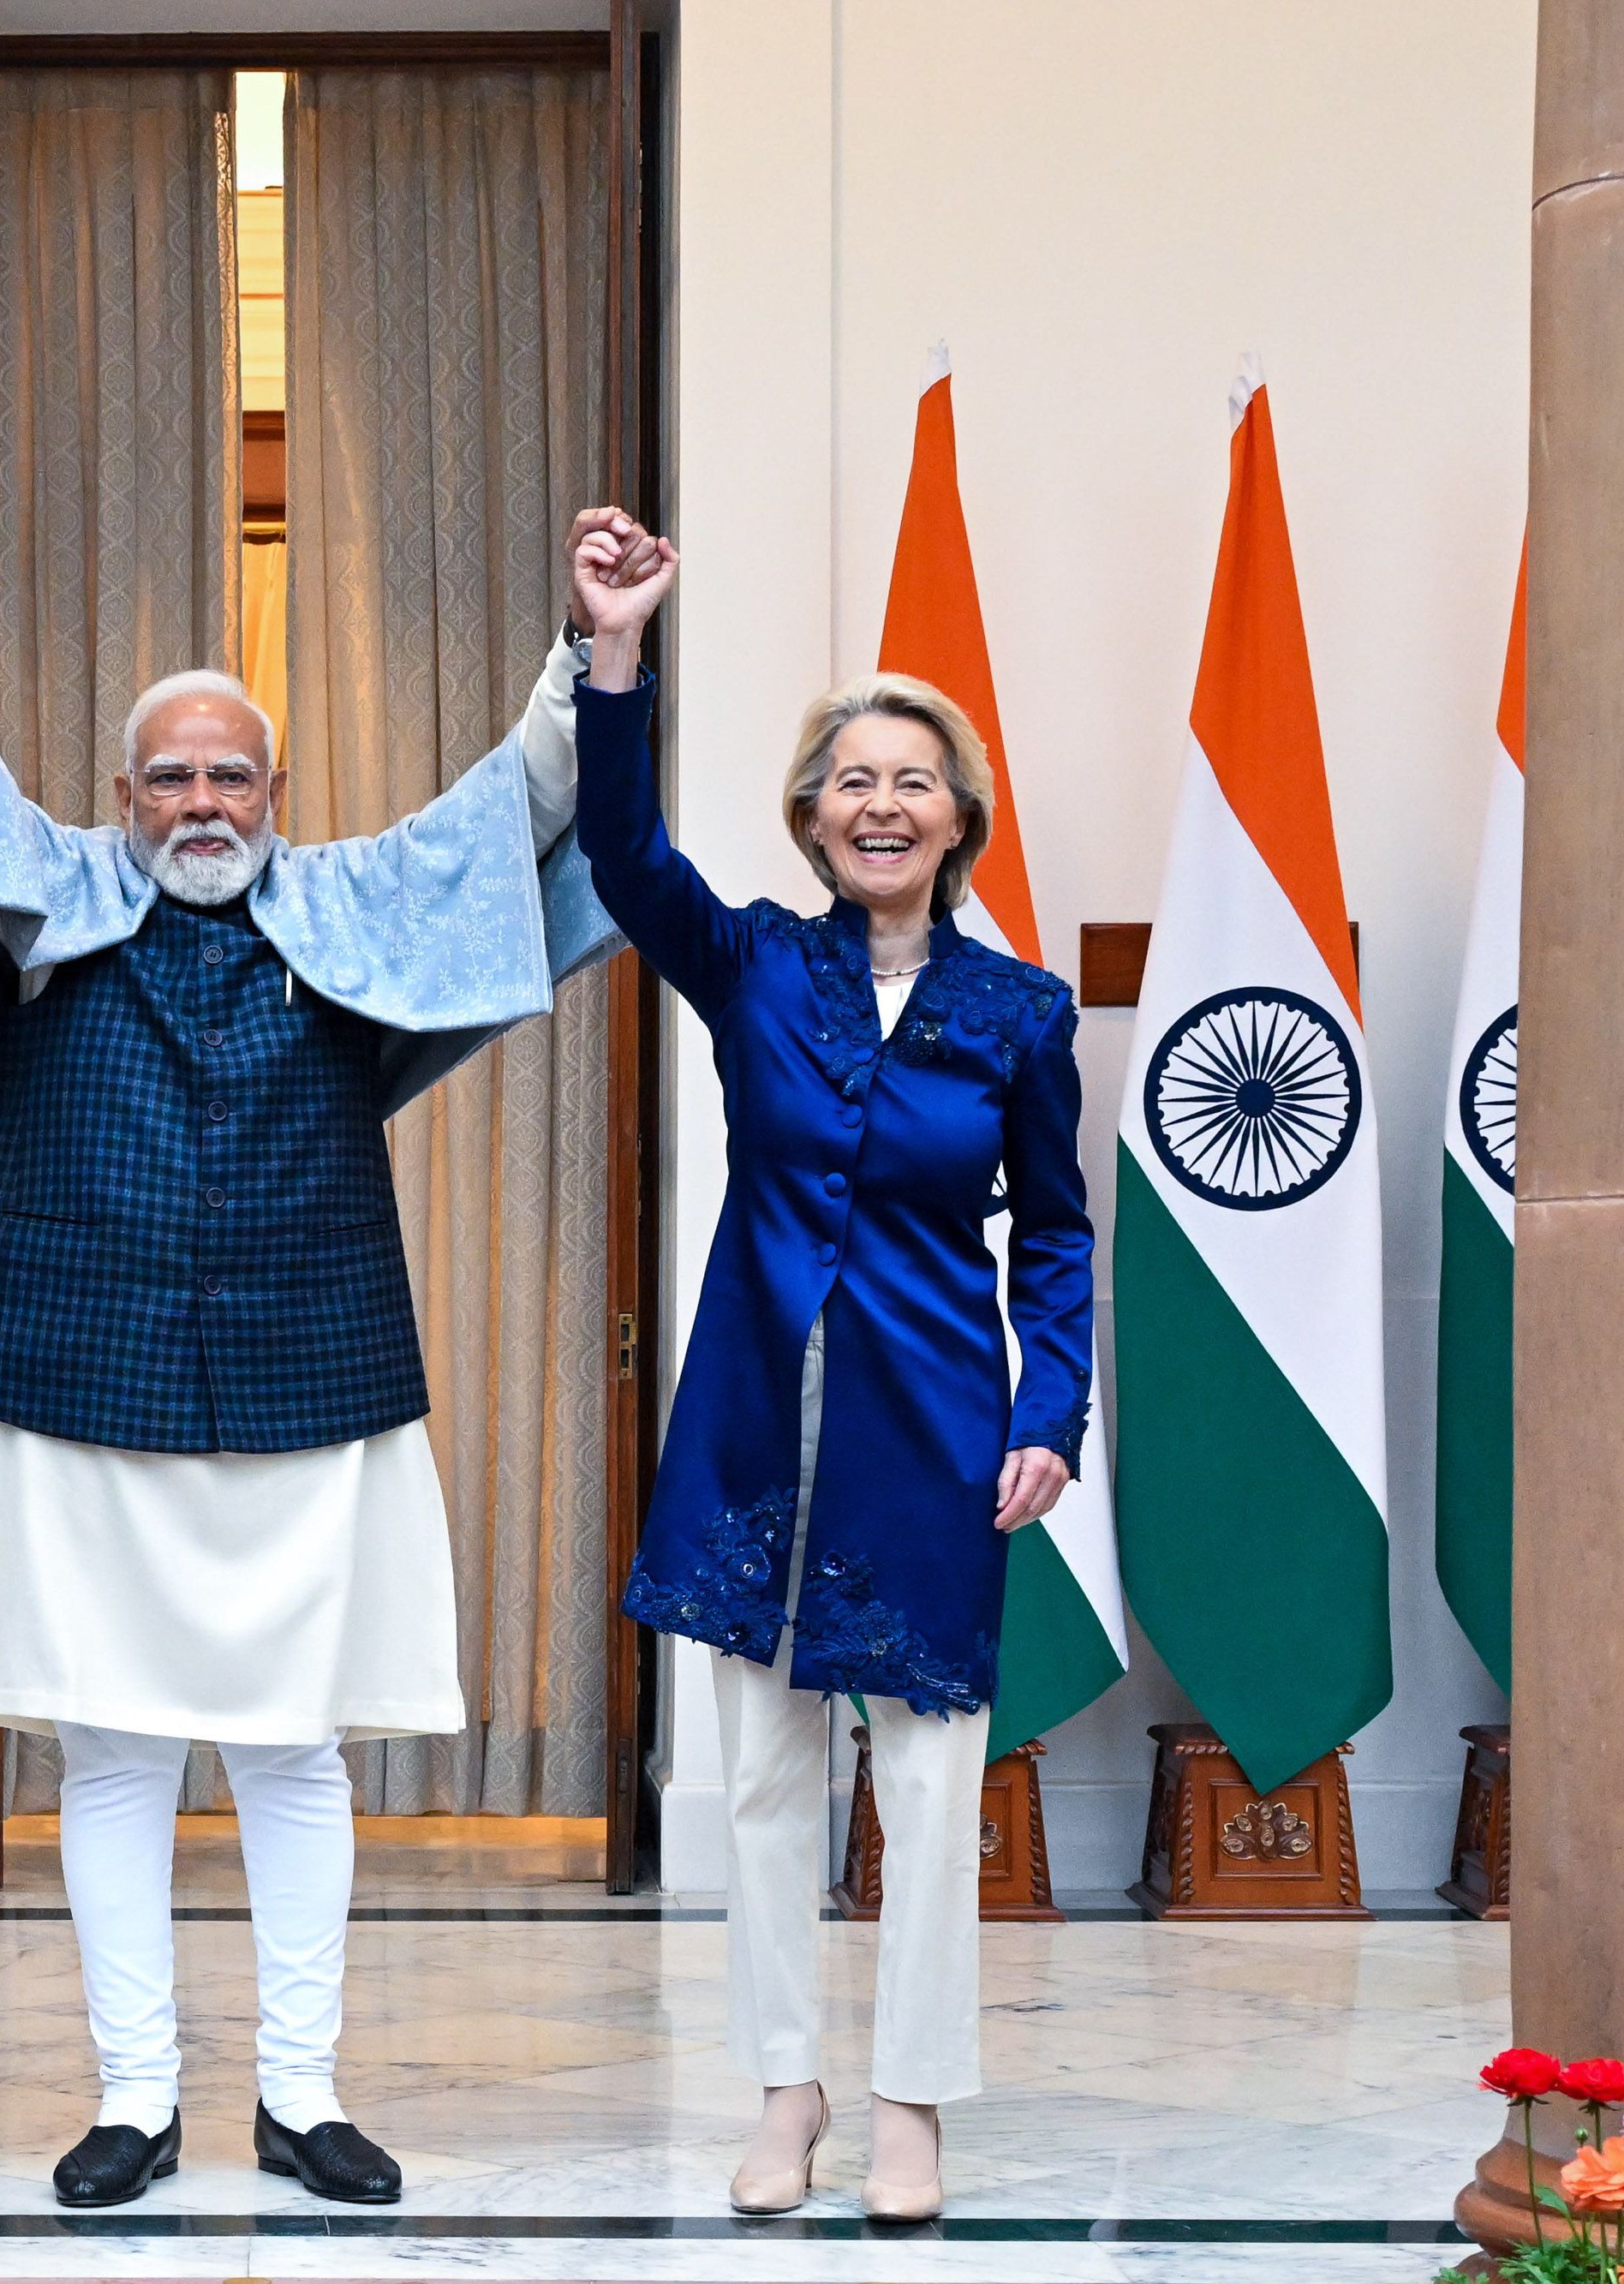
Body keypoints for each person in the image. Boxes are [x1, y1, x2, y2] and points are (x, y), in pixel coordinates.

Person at [0, 507, 663, 2208]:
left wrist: (595, 646)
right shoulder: (49, 896)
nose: (201, 805)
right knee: (113, 1753)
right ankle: (132, 2098)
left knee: (296, 1753)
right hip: (77, 1389)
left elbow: (515, 802)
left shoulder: (360, 903)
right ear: (123, 793)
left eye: (231, 776)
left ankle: (300, 2096)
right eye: (168, 778)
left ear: (274, 795)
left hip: (312, 1392)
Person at [567, 535, 1093, 2220]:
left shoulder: (1017, 1012)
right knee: (766, 1780)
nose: (880, 804)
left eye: (910, 782)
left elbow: (1059, 1242)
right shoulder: (755, 969)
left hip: (933, 1437)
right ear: (809, 815)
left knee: (932, 1787)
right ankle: (785, 2092)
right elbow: (621, 852)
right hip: (749, 1438)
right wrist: (615, 652)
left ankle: (908, 2100)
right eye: (850, 780)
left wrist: (1046, 1415)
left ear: (956, 818)